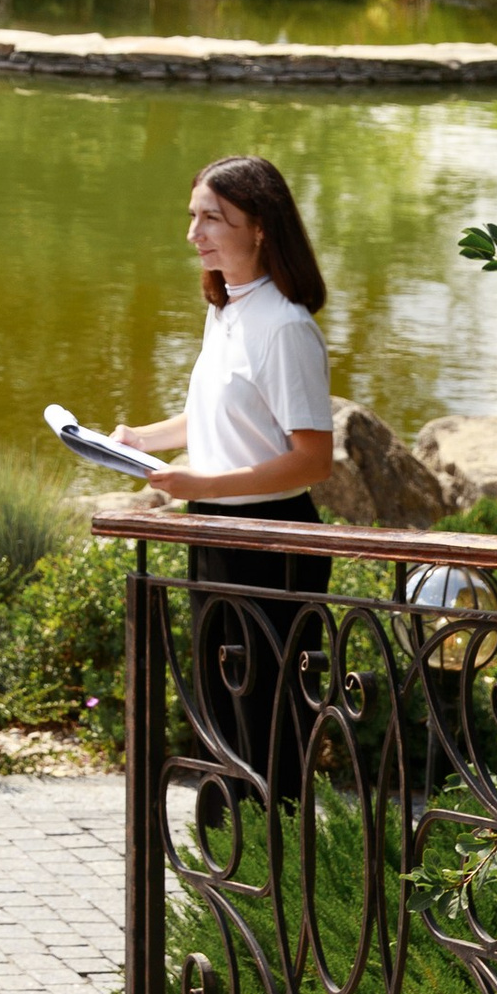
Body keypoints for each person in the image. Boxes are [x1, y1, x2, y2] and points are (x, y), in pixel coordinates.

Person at [114, 153, 334, 788]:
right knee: (219, 714)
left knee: (265, 721)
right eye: (193, 217)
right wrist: (133, 439)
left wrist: (203, 486)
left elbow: (312, 459)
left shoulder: (285, 327)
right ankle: (230, 869)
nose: (194, 233)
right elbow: (218, 417)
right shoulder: (227, 308)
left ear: (260, 225)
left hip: (271, 543)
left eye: (212, 218)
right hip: (213, 530)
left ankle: (279, 867)